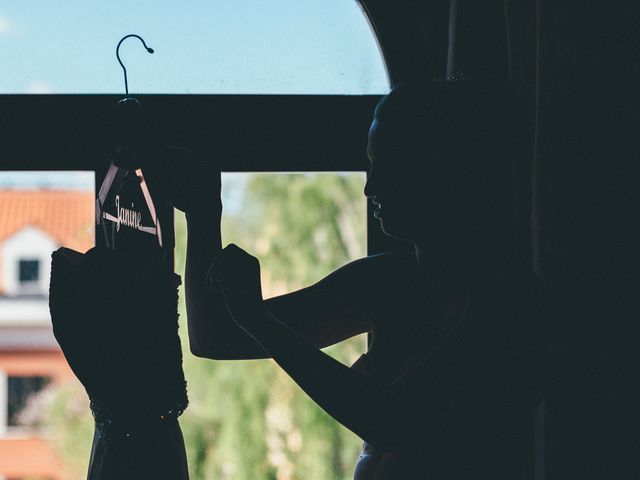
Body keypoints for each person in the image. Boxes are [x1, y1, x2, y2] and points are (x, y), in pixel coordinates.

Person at [185, 80, 547, 479]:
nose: (369, 187)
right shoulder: (383, 282)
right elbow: (215, 337)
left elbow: (393, 421)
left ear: (440, 167)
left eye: (387, 165)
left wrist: (256, 319)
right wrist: (202, 213)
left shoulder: (512, 304)